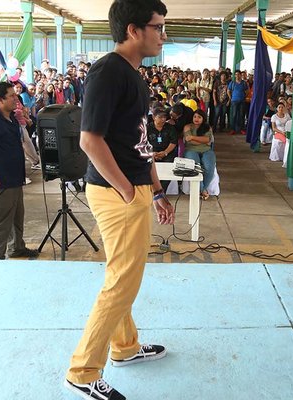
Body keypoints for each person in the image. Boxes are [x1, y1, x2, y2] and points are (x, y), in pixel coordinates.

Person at [64, 1, 174, 399]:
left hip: (134, 188)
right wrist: (128, 190)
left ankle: (125, 348)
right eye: (158, 28)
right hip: (117, 193)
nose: (163, 35)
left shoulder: (134, 75)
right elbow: (89, 140)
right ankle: (83, 369)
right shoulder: (109, 72)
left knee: (122, 276)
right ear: (133, 30)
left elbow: (137, 143)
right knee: (122, 282)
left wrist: (156, 190)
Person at [0, 82, 39, 260]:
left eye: (15, 95)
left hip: (15, 178)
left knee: (16, 217)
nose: (15, 99)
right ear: (0, 100)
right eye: (11, 96)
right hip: (0, 181)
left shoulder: (11, 118)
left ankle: (16, 247)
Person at [183, 109, 216, 200]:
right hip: (191, 150)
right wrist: (203, 140)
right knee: (196, 167)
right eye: (195, 117)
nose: (196, 119)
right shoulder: (187, 127)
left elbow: (207, 140)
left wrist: (193, 137)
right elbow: (188, 140)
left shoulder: (207, 127)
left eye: (199, 117)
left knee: (209, 167)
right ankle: (203, 190)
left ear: (203, 118)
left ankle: (203, 189)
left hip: (207, 150)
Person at [147, 108, 177, 192]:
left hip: (167, 152)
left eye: (164, 117)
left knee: (169, 169)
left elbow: (173, 142)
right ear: (153, 117)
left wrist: (165, 152)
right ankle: (152, 190)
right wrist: (152, 153)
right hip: (151, 153)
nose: (163, 119)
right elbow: (143, 143)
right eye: (160, 117)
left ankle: (161, 192)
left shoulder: (170, 128)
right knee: (147, 167)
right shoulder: (147, 128)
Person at [227, 71, 248, 135]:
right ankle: (232, 129)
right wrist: (231, 98)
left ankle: (242, 129)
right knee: (234, 115)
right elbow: (228, 91)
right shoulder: (232, 83)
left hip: (242, 101)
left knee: (242, 115)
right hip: (234, 101)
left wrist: (244, 96)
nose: (237, 76)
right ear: (234, 76)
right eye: (236, 74)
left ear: (241, 75)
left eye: (238, 74)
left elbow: (247, 91)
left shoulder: (244, 83)